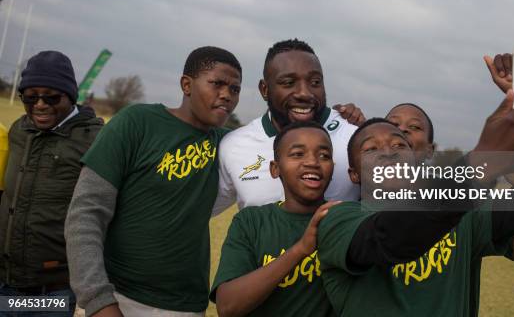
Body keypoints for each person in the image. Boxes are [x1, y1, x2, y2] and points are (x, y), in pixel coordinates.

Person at [317, 87, 514, 316]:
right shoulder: (339, 220)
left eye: (399, 144)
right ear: (353, 173)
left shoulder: (466, 214)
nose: (388, 151)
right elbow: (391, 237)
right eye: (371, 149)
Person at [65, 47, 242, 317]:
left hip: (187, 306)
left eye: (235, 89)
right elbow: (86, 213)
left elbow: (279, 144)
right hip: (117, 297)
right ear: (186, 84)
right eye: (217, 83)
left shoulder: (228, 145)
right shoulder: (136, 122)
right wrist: (97, 299)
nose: (227, 95)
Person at [385, 101, 514, 316]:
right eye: (392, 125)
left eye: (415, 127)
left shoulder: (461, 204)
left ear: (430, 150)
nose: (402, 129)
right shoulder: (354, 206)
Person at [0, 51, 104, 316]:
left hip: (54, 292)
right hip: (6, 285)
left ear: (71, 96)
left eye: (52, 97)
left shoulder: (95, 140)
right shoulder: (18, 131)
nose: (40, 104)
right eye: (30, 97)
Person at [213, 39, 364, 213]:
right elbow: (197, 213)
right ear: (264, 89)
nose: (304, 93)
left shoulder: (355, 136)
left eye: (315, 82)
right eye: (288, 83)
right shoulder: (234, 145)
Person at [211, 121, 340, 317]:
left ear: (333, 167)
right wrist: (300, 250)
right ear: (275, 168)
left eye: (324, 155)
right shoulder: (251, 222)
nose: (313, 162)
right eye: (298, 154)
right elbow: (227, 307)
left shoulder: (344, 220)